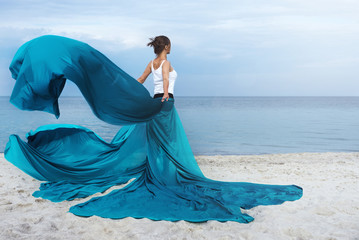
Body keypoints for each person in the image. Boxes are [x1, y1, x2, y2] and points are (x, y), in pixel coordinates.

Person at [4, 34, 303, 223]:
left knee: (157, 144)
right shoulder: (166, 63)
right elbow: (160, 87)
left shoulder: (151, 63)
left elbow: (138, 83)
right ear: (167, 47)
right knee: (166, 146)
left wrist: (125, 92)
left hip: (156, 104)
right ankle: (162, 171)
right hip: (166, 105)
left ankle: (157, 167)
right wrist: (150, 98)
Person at [137, 35, 176, 103]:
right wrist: (166, 93)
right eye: (170, 45)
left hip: (156, 97)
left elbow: (141, 79)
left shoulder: (152, 63)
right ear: (166, 46)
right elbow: (165, 79)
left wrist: (129, 88)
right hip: (166, 98)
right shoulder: (166, 63)